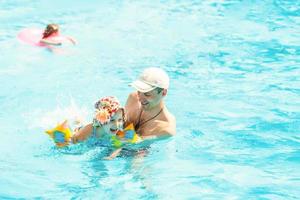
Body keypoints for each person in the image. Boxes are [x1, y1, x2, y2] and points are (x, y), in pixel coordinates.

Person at [125, 67, 176, 141]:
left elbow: (135, 146)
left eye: (147, 94)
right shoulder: (133, 98)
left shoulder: (165, 129)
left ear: (163, 93)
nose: (140, 98)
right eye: (139, 91)